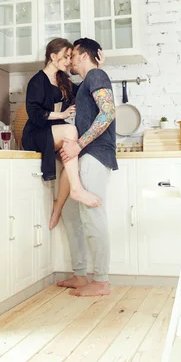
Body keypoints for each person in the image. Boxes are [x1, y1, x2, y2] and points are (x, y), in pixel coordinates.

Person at [57, 37, 117, 297]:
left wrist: (78, 144)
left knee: (92, 217)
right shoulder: (89, 80)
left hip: (94, 154)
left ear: (82, 55)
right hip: (85, 154)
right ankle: (81, 275)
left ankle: (101, 280)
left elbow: (107, 112)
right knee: (72, 215)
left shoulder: (95, 75)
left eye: (72, 55)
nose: (69, 60)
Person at [21, 39, 101, 227]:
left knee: (74, 159)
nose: (68, 61)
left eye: (70, 56)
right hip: (36, 133)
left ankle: (58, 206)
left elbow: (84, 89)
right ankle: (77, 190)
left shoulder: (64, 80)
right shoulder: (37, 81)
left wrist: (97, 68)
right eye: (65, 56)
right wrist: (62, 114)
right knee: (71, 130)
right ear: (53, 56)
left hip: (55, 132)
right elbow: (33, 114)